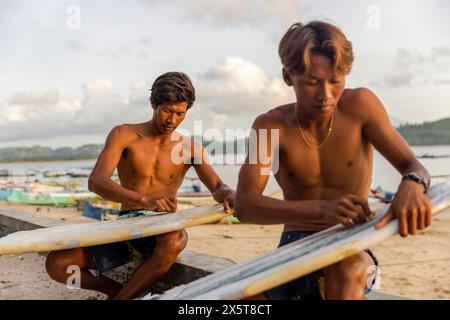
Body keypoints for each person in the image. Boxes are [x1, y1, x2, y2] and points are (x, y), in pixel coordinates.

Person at [235, 21, 432, 300]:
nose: (326, 96)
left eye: (335, 81)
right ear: (288, 76)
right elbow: (245, 205)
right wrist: (320, 210)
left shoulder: (361, 105)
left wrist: (413, 184)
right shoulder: (268, 125)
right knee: (233, 300)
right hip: (291, 248)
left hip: (349, 245)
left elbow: (414, 167)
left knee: (345, 271)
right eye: (312, 83)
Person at [45, 72, 235, 299]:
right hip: (124, 227)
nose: (172, 120)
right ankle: (115, 291)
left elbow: (217, 186)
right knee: (57, 264)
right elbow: (96, 182)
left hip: (161, 229)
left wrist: (230, 194)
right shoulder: (124, 134)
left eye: (180, 114)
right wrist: (145, 200)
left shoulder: (191, 148)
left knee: (175, 239)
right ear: (153, 103)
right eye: (166, 111)